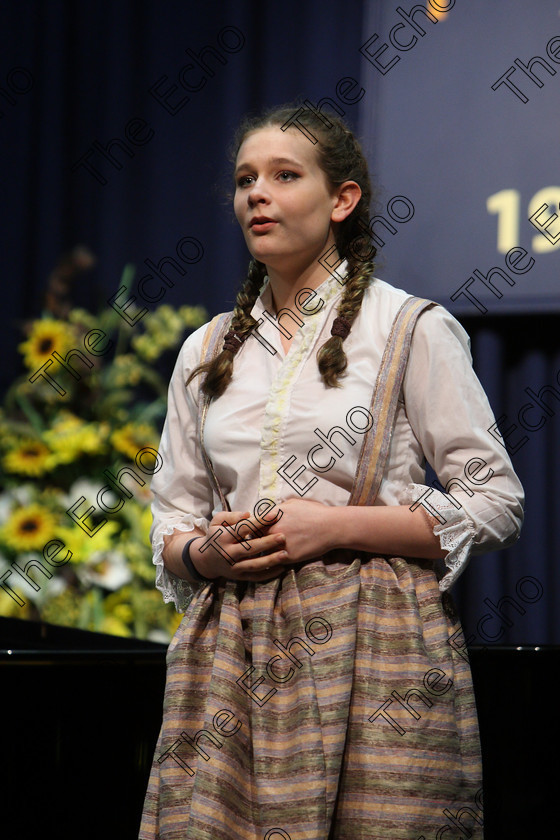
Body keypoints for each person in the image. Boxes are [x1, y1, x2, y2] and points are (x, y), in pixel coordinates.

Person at [139, 104, 523, 840]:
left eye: (285, 176)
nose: (258, 193)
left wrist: (334, 526)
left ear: (341, 200)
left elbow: (496, 502)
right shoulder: (207, 348)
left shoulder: (410, 328)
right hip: (233, 650)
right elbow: (171, 515)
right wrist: (204, 551)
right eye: (246, 179)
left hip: (377, 642)